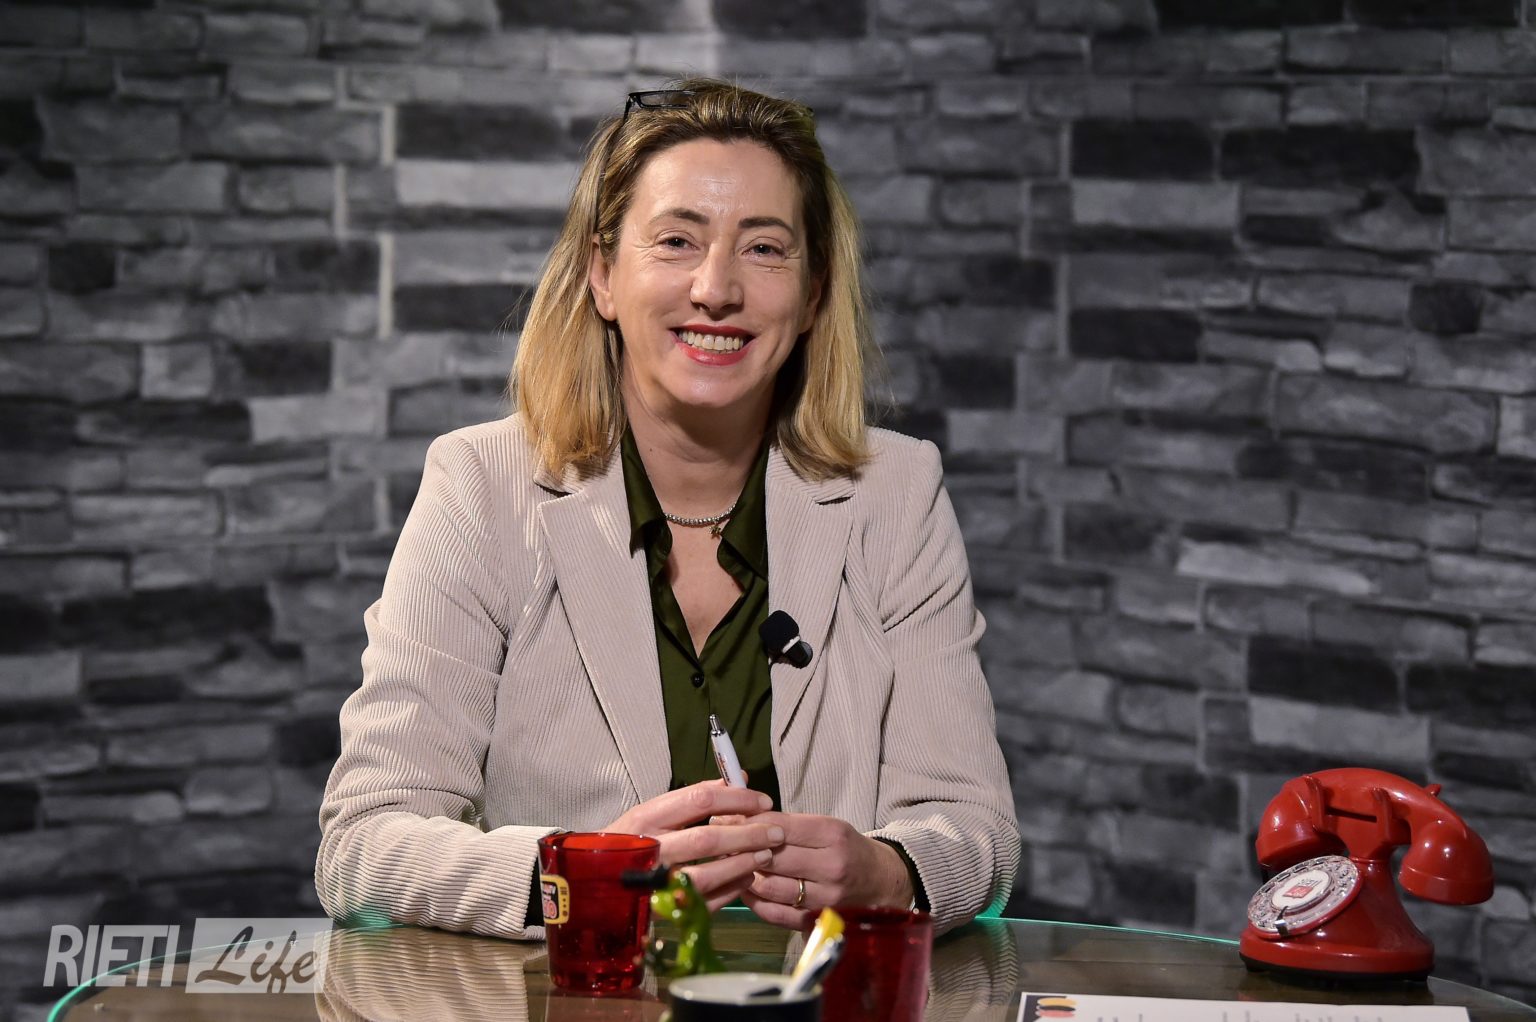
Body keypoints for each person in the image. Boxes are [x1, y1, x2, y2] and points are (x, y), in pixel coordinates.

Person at [314, 77, 1019, 940]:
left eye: (764, 249)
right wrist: (577, 877)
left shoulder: (897, 494)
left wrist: (892, 873)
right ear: (603, 275)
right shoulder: (481, 489)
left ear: (811, 295)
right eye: (677, 241)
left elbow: (978, 834)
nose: (716, 289)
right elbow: (362, 846)